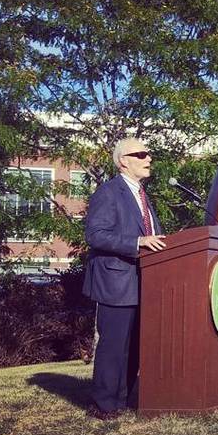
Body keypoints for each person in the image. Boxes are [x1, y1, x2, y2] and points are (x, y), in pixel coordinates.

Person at [82, 139, 166, 420]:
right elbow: (96, 234)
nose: (148, 157)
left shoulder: (142, 195)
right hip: (116, 282)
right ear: (123, 161)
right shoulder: (109, 192)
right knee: (114, 344)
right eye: (141, 154)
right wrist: (138, 241)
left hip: (146, 283)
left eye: (148, 153)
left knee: (135, 345)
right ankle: (104, 404)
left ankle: (122, 398)